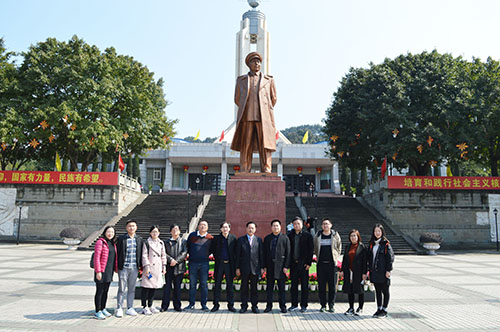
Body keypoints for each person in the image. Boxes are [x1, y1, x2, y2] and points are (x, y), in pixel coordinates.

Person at [231, 51, 278, 173]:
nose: (256, 63)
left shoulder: (269, 80)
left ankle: (266, 168)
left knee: (265, 144)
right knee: (245, 144)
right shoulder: (241, 80)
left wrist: (265, 109)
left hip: (264, 117)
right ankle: (245, 168)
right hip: (247, 116)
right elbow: (237, 98)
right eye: (254, 61)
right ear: (249, 64)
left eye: (258, 61)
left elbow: (274, 98)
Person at [115, 219, 144, 317]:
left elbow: (141, 254)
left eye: (133, 226)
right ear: (126, 228)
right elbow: (117, 253)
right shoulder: (121, 239)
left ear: (136, 227)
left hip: (134, 267)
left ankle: (130, 307)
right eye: (130, 226)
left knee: (131, 289)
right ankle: (119, 308)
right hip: (123, 267)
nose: (131, 228)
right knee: (122, 289)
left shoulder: (139, 239)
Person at [235, 221, 264, 313]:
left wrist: (262, 267)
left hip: (255, 268)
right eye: (249, 228)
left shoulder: (259, 240)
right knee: (244, 288)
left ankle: (254, 306)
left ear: (255, 229)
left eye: (252, 228)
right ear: (246, 229)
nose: (251, 229)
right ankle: (244, 306)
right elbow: (237, 255)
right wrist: (237, 268)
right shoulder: (240, 240)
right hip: (244, 268)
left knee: (254, 289)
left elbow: (261, 254)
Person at [314, 217, 342, 313]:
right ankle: (323, 305)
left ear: (331, 225)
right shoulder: (318, 235)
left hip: (332, 265)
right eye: (324, 224)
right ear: (322, 226)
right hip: (321, 264)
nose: (325, 225)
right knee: (321, 285)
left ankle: (331, 305)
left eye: (327, 224)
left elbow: (339, 247)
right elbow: (315, 247)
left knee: (332, 286)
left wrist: (336, 256)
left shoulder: (335, 235)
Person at [185, 220, 213, 310]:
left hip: (204, 263)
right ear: (198, 226)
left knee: (204, 284)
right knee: (192, 284)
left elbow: (211, 250)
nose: (203, 227)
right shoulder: (192, 236)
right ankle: (191, 304)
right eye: (201, 225)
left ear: (207, 227)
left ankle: (204, 304)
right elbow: (188, 247)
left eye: (205, 225)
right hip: (193, 263)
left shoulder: (210, 238)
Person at [368, 224, 395, 319]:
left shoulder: (386, 244)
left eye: (379, 231)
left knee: (385, 291)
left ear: (382, 232)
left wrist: (388, 270)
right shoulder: (372, 244)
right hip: (375, 272)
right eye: (375, 231)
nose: (377, 233)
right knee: (378, 291)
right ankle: (379, 308)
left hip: (383, 272)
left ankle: (385, 309)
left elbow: (390, 257)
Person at [263, 219, 290, 313]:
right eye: (274, 226)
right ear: (271, 227)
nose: (276, 227)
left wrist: (286, 266)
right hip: (270, 266)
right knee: (269, 288)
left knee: (281, 288)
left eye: (277, 225)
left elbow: (288, 253)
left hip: (281, 267)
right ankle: (269, 306)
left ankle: (282, 306)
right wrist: (264, 266)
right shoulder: (267, 238)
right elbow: (264, 253)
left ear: (280, 227)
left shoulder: (285, 238)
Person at [287, 217, 314, 312]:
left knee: (304, 286)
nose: (297, 225)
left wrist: (309, 263)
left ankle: (304, 305)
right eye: (295, 224)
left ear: (302, 224)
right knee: (293, 285)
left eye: (298, 224)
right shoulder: (290, 235)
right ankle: (294, 304)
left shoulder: (307, 235)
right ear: (292, 225)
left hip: (304, 265)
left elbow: (311, 250)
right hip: (293, 264)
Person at [210, 221, 237, 312]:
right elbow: (213, 250)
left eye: (227, 227)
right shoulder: (216, 239)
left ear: (229, 228)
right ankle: (216, 305)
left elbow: (235, 253)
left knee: (230, 285)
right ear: (221, 229)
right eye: (223, 227)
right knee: (217, 285)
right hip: (219, 264)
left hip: (229, 265)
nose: (225, 229)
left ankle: (231, 305)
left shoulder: (233, 238)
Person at [340, 229, 367, 316]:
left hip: (358, 272)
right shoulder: (348, 246)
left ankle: (360, 308)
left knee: (359, 290)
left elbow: (365, 261)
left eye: (354, 236)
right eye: (351, 236)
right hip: (349, 271)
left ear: (358, 237)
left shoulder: (362, 247)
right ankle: (351, 308)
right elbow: (344, 259)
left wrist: (364, 273)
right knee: (350, 290)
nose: (353, 237)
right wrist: (342, 270)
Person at [141, 225, 167, 315]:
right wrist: (147, 266)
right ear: (150, 233)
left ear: (159, 233)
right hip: (149, 267)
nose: (155, 233)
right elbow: (144, 255)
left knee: (154, 287)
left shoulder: (161, 243)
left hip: (157, 268)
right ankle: (144, 306)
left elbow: (163, 255)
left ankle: (151, 305)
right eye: (153, 232)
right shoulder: (147, 242)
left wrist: (164, 266)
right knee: (146, 287)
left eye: (156, 232)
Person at [93, 226, 118, 320]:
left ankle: (103, 308)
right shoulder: (100, 242)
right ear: (104, 232)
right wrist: (98, 271)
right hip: (101, 271)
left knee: (105, 291)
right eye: (108, 231)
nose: (110, 233)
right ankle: (97, 311)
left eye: (112, 232)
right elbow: (96, 257)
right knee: (99, 291)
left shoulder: (112, 243)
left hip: (109, 271)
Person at [161, 224, 187, 312]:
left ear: (179, 231)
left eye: (177, 229)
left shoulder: (183, 241)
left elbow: (184, 253)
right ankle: (164, 306)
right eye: (173, 229)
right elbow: (163, 253)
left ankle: (177, 306)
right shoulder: (166, 242)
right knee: (167, 287)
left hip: (179, 267)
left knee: (177, 288)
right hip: (169, 268)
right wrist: (171, 260)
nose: (175, 231)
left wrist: (176, 261)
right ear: (170, 231)